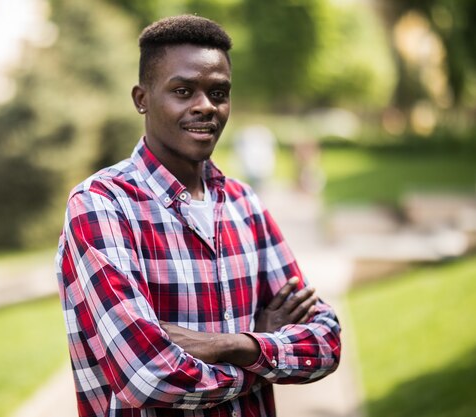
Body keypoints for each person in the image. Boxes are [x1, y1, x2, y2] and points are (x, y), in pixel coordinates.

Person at [55, 15, 341, 417]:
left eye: (218, 92)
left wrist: (231, 344)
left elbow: (326, 343)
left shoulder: (244, 203)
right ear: (142, 98)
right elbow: (149, 376)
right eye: (183, 90)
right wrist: (263, 354)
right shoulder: (102, 204)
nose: (205, 106)